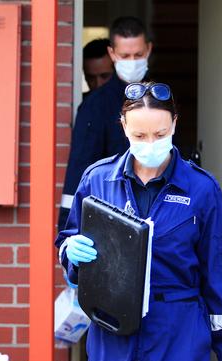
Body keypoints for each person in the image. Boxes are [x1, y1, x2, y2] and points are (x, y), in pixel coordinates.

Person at [55, 82, 222, 361]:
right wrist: (70, 252)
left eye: (160, 133)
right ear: (123, 127)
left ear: (175, 124)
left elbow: (220, 279)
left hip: (179, 336)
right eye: (139, 135)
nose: (151, 144)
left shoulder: (201, 189)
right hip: (113, 335)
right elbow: (69, 239)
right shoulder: (97, 180)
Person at [59, 16, 153, 231]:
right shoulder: (95, 106)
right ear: (112, 54)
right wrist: (67, 233)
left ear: (148, 50)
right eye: (125, 55)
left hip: (157, 215)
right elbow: (80, 170)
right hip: (111, 216)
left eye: (137, 55)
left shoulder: (162, 100)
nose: (132, 61)